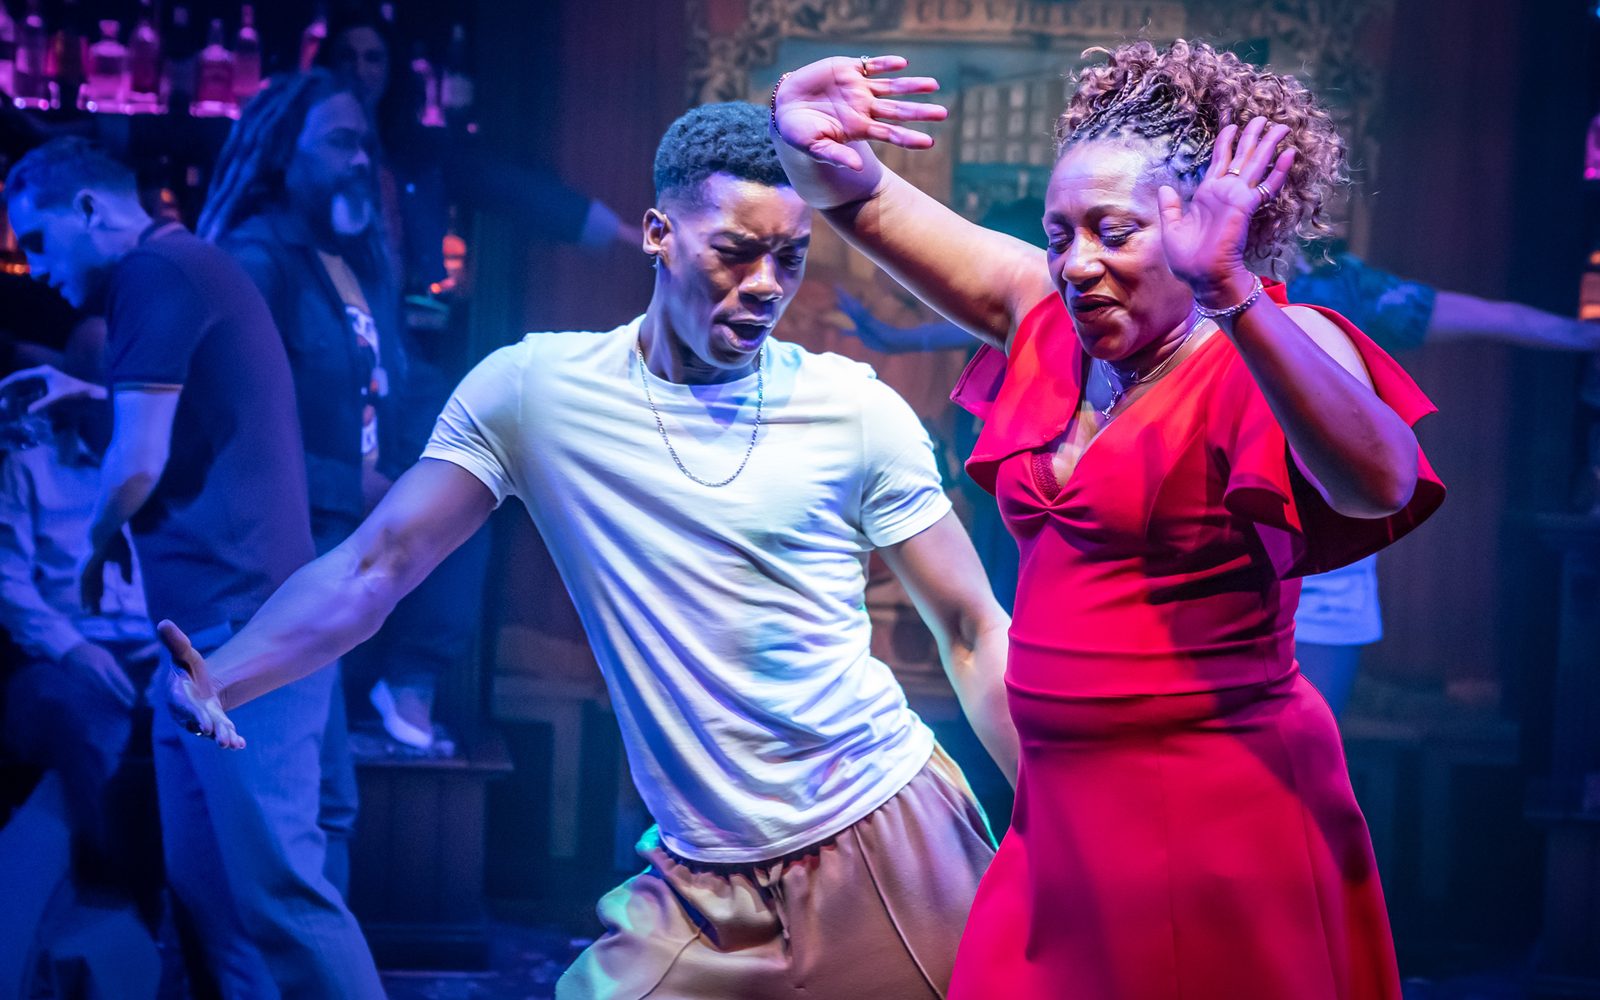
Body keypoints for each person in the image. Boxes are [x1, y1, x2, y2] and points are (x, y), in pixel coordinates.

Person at [160, 101, 1011, 1000]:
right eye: (735, 251)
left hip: (883, 837)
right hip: (702, 878)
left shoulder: (853, 409)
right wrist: (224, 675)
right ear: (657, 234)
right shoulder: (535, 392)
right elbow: (378, 567)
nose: (766, 282)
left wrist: (1067, 818)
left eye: (790, 256)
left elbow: (968, 626)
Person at [772, 41, 1445, 999]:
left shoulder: (1272, 343)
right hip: (1058, 815)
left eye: (1114, 231)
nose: (1079, 260)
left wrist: (1234, 295)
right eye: (1060, 233)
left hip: (1219, 814)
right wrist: (806, 140)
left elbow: (1382, 482)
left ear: (1203, 226)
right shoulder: (1042, 313)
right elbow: (862, 195)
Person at [838, 248, 1597, 713]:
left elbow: (1481, 317)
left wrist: (1577, 333)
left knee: (1298, 707)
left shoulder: (1344, 287)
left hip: (1323, 537)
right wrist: (901, 336)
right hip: (1204, 522)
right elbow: (1028, 310)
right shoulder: (1161, 286)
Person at [3, 137, 386, 998]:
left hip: (241, 628)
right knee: (212, 903)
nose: (32, 268)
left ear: (91, 211)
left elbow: (139, 464)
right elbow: (186, 424)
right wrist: (81, 399)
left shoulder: (155, 276)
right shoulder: (180, 269)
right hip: (208, 635)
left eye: (36, 241)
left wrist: (94, 554)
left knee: (280, 895)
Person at [313, 5, 634, 747]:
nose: (362, 72)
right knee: (345, 511)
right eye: (349, 57)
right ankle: (324, 685)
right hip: (331, 359)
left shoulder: (416, 151)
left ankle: (413, 679)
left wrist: (622, 233)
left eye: (374, 59)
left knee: (467, 495)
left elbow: (510, 187)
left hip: (413, 354)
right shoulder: (311, 154)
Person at [0, 328, 164, 994]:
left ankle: (192, 908)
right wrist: (76, 649)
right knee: (89, 724)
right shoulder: (27, 460)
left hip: (154, 642)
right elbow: (7, 581)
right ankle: (133, 900)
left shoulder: (159, 457)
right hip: (57, 649)